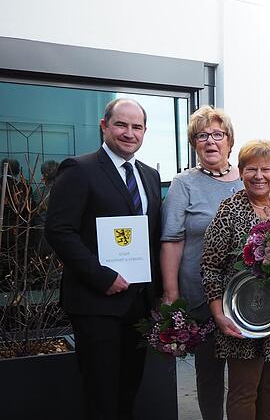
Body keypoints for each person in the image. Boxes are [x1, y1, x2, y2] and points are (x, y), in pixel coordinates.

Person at [45, 98, 162, 420]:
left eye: (136, 127)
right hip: (97, 304)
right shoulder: (79, 169)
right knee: (100, 394)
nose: (129, 133)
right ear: (104, 126)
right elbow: (59, 231)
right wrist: (102, 276)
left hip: (138, 303)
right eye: (121, 125)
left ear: (144, 132)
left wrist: (160, 294)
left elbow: (152, 238)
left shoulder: (150, 176)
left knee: (129, 389)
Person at [201, 140, 270, 420]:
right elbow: (210, 265)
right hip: (242, 316)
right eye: (251, 170)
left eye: (266, 169)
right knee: (243, 390)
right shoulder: (230, 209)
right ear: (240, 172)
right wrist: (218, 314)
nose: (259, 176)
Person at [160, 106, 243, 420]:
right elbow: (172, 238)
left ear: (230, 141)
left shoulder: (248, 178)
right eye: (202, 135)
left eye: (218, 134)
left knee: (244, 373)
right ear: (194, 143)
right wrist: (171, 294)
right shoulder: (184, 183)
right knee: (209, 372)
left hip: (244, 294)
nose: (211, 141)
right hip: (199, 294)